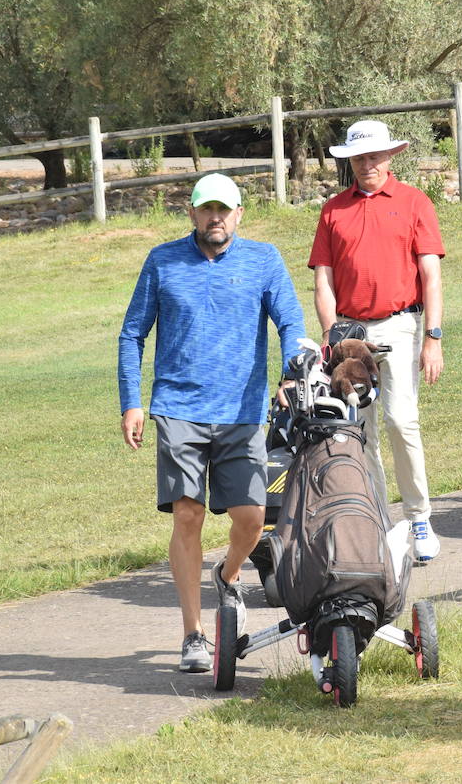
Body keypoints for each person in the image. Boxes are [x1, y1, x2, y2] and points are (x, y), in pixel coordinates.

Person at [118, 172, 307, 673]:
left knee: (249, 519)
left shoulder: (263, 259)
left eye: (225, 209)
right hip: (178, 408)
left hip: (241, 411)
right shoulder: (163, 261)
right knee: (188, 515)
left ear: (240, 214)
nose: (215, 218)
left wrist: (292, 371)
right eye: (207, 209)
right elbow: (132, 334)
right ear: (193, 213)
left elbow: (290, 321)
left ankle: (228, 575)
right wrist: (131, 402)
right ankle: (194, 634)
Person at [309, 119, 447, 562]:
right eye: (360, 158)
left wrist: (434, 337)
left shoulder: (413, 202)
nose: (368, 164)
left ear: (390, 156)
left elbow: (431, 275)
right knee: (357, 429)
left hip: (401, 325)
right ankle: (377, 519)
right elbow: (324, 282)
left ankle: (419, 516)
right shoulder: (333, 210)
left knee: (401, 420)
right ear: (349, 161)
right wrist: (332, 338)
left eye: (375, 156)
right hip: (351, 334)